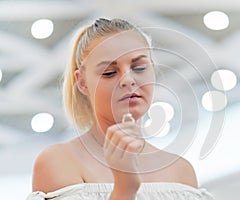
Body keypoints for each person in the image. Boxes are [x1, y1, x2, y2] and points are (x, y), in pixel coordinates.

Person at [27, 18, 214, 200]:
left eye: (139, 67)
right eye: (109, 72)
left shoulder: (181, 171)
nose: (127, 80)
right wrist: (124, 189)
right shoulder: (59, 161)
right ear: (82, 83)